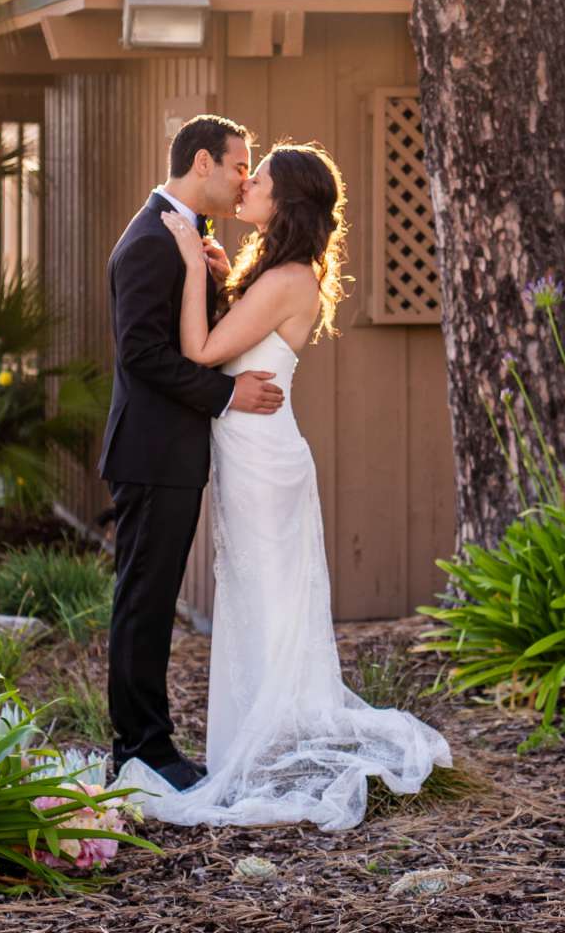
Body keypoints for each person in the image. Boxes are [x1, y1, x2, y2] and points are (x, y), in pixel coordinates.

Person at [116, 138, 452, 830]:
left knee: (268, 597)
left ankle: (269, 747)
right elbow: (226, 337)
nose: (247, 184)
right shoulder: (272, 272)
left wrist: (188, 266)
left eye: (258, 177)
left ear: (285, 199)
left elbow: (203, 352)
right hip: (248, 452)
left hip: (263, 457)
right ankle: (258, 743)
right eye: (245, 168)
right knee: (255, 596)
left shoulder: (286, 277)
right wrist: (210, 274)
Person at [101, 113, 285, 793]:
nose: (244, 179)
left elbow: (188, 335)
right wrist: (227, 394)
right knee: (143, 603)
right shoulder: (152, 239)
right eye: (241, 165)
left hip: (168, 453)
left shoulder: (186, 237)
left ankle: (144, 745)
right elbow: (143, 355)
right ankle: (141, 750)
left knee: (149, 599)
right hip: (150, 452)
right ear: (202, 162)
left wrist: (213, 278)